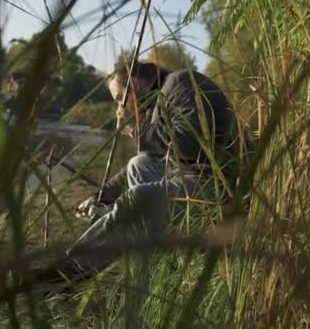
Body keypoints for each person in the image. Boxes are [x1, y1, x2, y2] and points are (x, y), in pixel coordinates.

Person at [31, 61, 241, 284]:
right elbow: (152, 159)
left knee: (139, 198)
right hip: (191, 176)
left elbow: (190, 142)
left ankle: (70, 270)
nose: (120, 109)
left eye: (119, 99)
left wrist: (135, 129)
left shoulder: (180, 83)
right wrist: (101, 195)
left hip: (220, 184)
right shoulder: (157, 104)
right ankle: (157, 259)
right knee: (138, 164)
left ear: (135, 84)